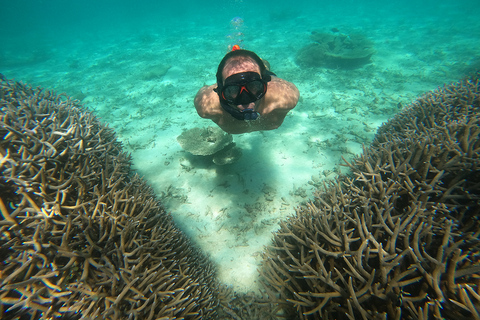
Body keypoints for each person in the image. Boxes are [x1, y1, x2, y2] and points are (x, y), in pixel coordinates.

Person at [194, 49, 299, 134]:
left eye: (254, 86)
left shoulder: (285, 98)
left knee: (263, 67)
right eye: (233, 89)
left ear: (264, 84)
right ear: (220, 89)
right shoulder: (207, 107)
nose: (245, 99)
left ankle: (262, 65)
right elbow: (204, 92)